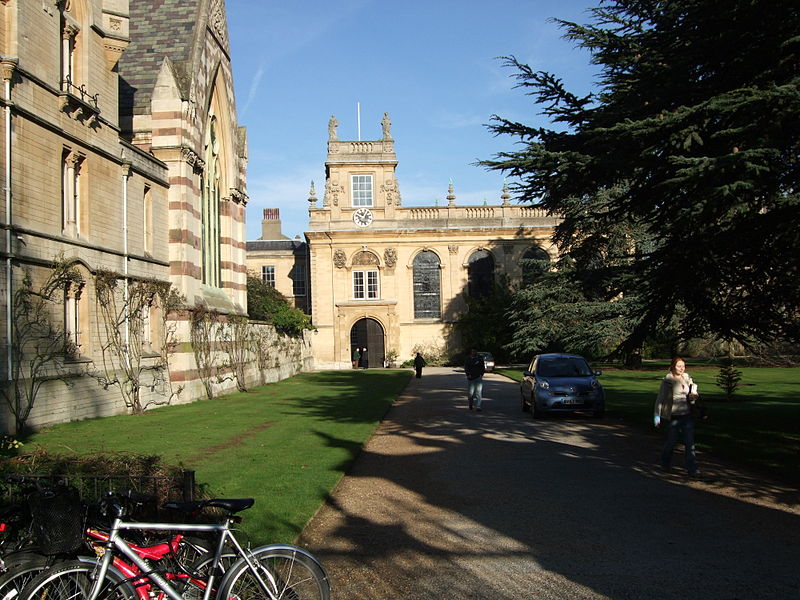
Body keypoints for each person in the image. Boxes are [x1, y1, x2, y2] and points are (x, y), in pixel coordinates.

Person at [654, 357, 699, 476]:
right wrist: (657, 416)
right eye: (679, 366)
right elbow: (660, 399)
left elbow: (692, 394)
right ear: (673, 366)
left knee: (690, 444)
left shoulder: (687, 379)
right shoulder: (667, 381)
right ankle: (665, 463)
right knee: (671, 442)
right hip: (673, 417)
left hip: (687, 415)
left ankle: (692, 469)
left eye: (683, 366)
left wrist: (694, 396)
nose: (681, 368)